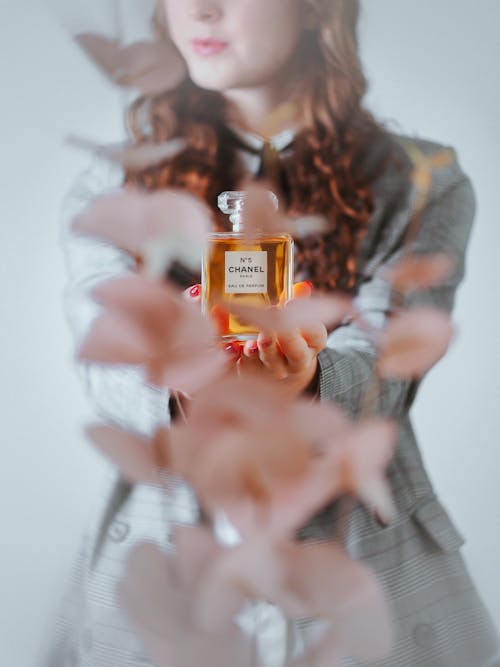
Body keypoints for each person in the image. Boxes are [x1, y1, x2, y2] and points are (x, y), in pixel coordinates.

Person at [45, 1, 500, 666]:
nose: (201, 8)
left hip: (362, 563)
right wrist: (187, 390)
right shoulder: (112, 184)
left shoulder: (420, 181)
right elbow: (106, 366)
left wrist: (310, 383)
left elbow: (388, 366)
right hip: (169, 558)